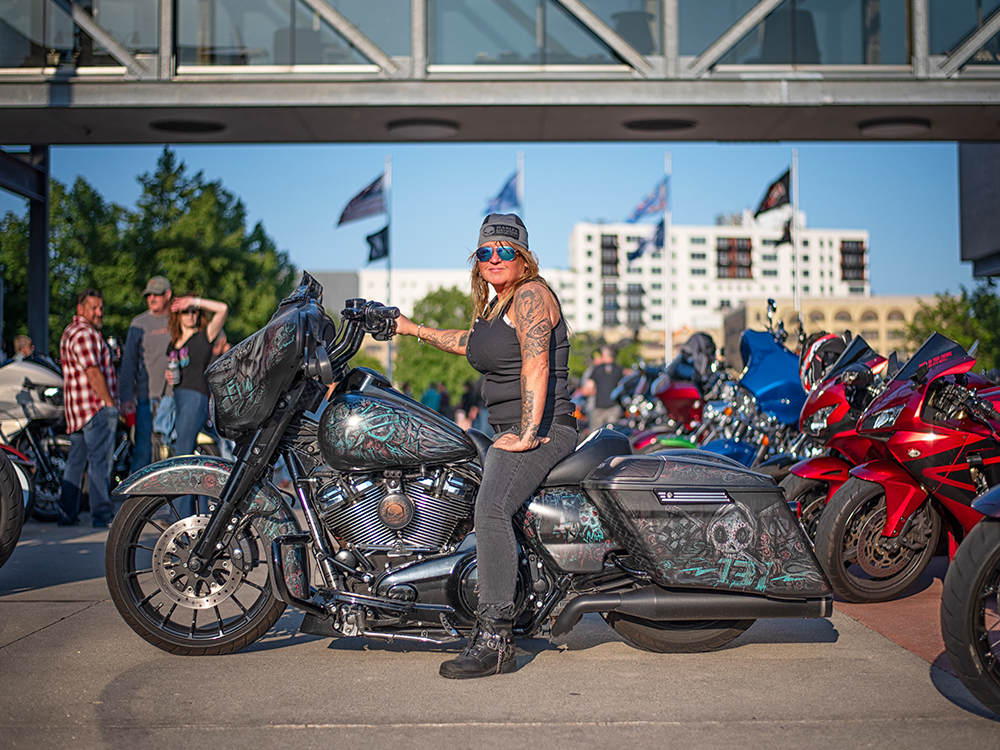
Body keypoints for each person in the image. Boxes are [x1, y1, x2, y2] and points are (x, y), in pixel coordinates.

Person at [394, 213, 577, 679]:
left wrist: (529, 431)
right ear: (477, 261)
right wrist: (410, 328)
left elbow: (536, 363)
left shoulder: (533, 295)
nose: (494, 258)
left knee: (490, 508)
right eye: (485, 252)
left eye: (505, 251)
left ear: (524, 258)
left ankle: (496, 639)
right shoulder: (496, 308)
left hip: (544, 427)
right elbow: (468, 343)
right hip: (510, 427)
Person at [58, 289, 118, 528]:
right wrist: (110, 404)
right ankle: (102, 514)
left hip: (77, 411)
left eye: (100, 307)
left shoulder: (71, 331)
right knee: (99, 462)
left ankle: (66, 511)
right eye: (93, 307)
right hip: (93, 407)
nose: (99, 312)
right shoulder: (84, 333)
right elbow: (93, 372)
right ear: (80, 309)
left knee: (75, 462)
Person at [165, 293, 228, 460]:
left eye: (194, 311)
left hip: (196, 395)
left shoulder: (203, 336)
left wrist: (195, 301)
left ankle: (180, 484)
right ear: (177, 315)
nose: (191, 315)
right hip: (177, 397)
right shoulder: (173, 344)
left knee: (183, 448)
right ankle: (188, 483)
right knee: (181, 445)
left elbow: (223, 309)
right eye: (186, 311)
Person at [119, 276, 173, 472]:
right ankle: (136, 501)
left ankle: (172, 500)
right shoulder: (139, 324)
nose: (152, 298)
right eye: (149, 295)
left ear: (168, 295)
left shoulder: (177, 320)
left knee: (173, 452)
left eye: (156, 294)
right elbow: (128, 364)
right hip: (145, 399)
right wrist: (125, 398)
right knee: (143, 451)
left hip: (174, 398)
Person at [578, 346, 624, 431]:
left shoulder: (597, 369)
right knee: (613, 434)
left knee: (595, 434)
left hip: (598, 408)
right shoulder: (619, 370)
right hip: (614, 407)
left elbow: (586, 389)